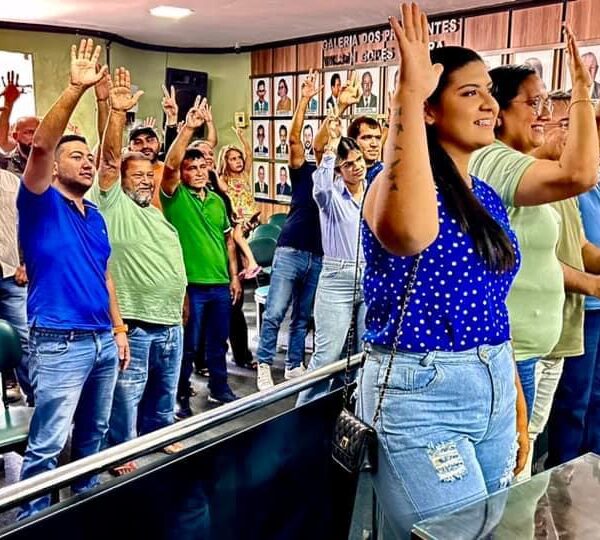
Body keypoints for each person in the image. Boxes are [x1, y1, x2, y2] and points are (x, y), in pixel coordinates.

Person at [358, 5, 528, 536]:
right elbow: (410, 234)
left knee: (486, 527)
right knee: (458, 533)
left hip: (493, 381)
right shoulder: (390, 184)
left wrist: (513, 396)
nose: (489, 104)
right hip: (422, 392)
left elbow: (492, 304)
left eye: (489, 91)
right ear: (430, 110)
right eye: (470, 92)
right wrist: (406, 95)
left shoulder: (486, 197)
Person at [469, 27, 598, 475]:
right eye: (534, 103)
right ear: (499, 113)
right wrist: (581, 91)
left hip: (541, 346)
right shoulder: (492, 160)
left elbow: (567, 248)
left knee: (522, 466)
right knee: (512, 469)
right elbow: (580, 173)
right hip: (515, 349)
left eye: (547, 103)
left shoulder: (525, 167)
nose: (544, 114)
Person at [17, 39, 129, 518]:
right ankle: (31, 520)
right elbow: (43, 144)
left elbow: (105, 276)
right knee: (48, 444)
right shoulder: (39, 203)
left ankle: (84, 511)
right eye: (76, 155)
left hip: (102, 340)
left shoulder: (95, 215)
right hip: (60, 341)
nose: (87, 161)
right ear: (55, 167)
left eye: (88, 156)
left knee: (93, 437)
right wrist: (76, 89)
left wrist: (119, 329)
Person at [87, 68, 186, 474]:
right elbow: (110, 160)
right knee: (126, 395)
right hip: (135, 322)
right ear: (119, 181)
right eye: (138, 176)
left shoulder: (156, 211)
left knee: (164, 393)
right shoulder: (111, 203)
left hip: (169, 321)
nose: (146, 181)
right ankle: (121, 449)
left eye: (149, 175)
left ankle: (159, 435)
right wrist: (115, 112)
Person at [161, 97, 242, 415]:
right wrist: (187, 128)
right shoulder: (175, 197)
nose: (197, 172)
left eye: (201, 167)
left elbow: (228, 242)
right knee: (188, 345)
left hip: (219, 283)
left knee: (218, 342)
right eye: (191, 168)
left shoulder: (218, 201)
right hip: (190, 285)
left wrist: (234, 277)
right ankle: (180, 395)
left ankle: (220, 388)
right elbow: (169, 166)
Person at [540, 92, 600, 468]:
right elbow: (544, 259)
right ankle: (564, 480)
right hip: (567, 309)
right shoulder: (545, 182)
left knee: (593, 400)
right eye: (566, 124)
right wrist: (593, 285)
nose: (574, 135)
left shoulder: (583, 180)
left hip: (588, 304)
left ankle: (589, 476)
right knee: (571, 404)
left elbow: (583, 247)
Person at [256, 70, 324, 391]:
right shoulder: (304, 171)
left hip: (319, 255)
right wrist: (305, 99)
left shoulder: (340, 181)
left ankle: (294, 365)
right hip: (291, 249)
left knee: (303, 316)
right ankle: (264, 364)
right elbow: (295, 140)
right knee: (275, 312)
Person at [296, 117, 366, 406]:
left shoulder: (372, 191)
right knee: (327, 357)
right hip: (337, 278)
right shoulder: (331, 196)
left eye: (358, 159)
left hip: (369, 277)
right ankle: (302, 419)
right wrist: (330, 148)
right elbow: (321, 187)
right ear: (339, 170)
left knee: (365, 354)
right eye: (348, 164)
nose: (357, 166)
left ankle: (355, 416)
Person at [0, 168, 32, 405]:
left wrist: (28, 262)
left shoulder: (12, 181)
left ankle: (40, 405)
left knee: (25, 341)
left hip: (11, 274)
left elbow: (32, 224)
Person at [218, 127, 260, 231]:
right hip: (238, 222)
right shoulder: (224, 178)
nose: (238, 161)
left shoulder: (244, 174)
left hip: (253, 218)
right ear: (226, 162)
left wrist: (242, 137)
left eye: (240, 157)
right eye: (233, 159)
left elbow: (249, 154)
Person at [0, 71, 39, 175]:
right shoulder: (10, 159)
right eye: (29, 132)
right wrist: (8, 103)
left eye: (38, 132)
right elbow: (2, 139)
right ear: (15, 136)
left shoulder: (50, 157)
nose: (35, 137)